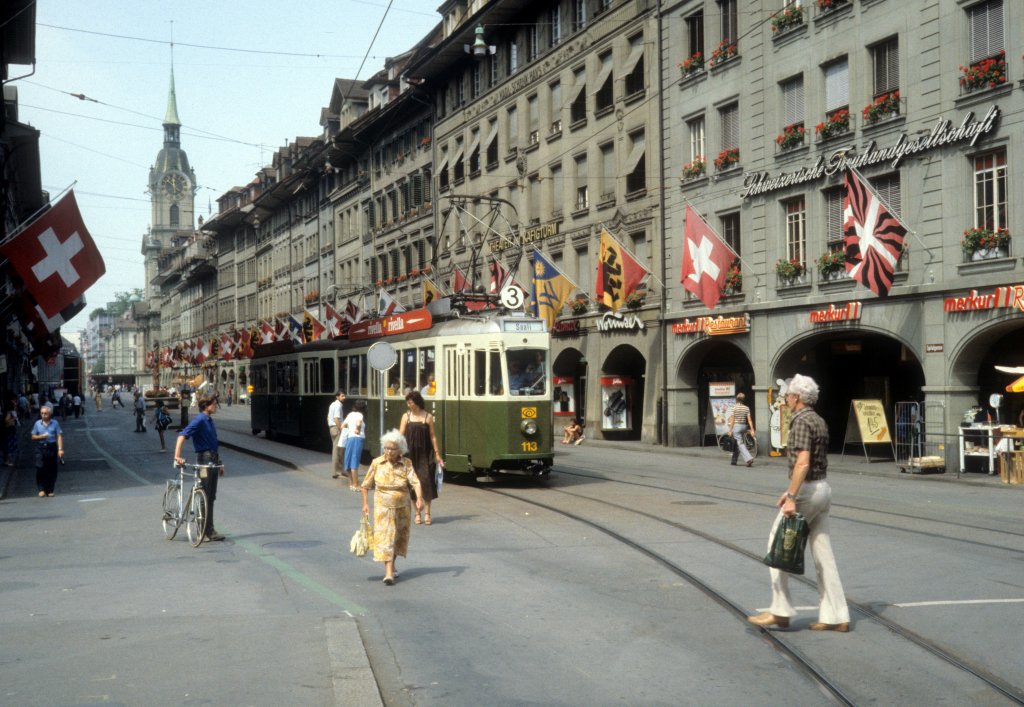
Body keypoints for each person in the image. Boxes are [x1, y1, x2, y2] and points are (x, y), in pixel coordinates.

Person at [748, 374, 850, 632]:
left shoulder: (801, 422)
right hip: (823, 488)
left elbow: (803, 462)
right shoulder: (819, 420)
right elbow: (813, 461)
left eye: (788, 396)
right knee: (823, 553)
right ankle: (837, 615)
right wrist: (789, 489)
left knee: (777, 543)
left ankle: (780, 610)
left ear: (797, 398)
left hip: (807, 491)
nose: (786, 399)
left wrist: (792, 496)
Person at [361, 429, 424, 585]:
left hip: (403, 506)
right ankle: (388, 572)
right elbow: (366, 485)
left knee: (398, 538)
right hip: (383, 506)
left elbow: (415, 482)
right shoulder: (377, 463)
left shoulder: (406, 463)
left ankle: (392, 564)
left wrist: (420, 499)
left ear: (400, 450)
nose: (389, 451)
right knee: (386, 537)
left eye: (392, 449)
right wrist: (365, 504)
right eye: (386, 448)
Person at [174, 396, 226, 541]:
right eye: (214, 404)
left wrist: (219, 463)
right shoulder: (200, 420)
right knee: (205, 494)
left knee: (211, 496)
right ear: (206, 406)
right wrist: (177, 455)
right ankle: (203, 530)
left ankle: (208, 529)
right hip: (205, 459)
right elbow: (182, 435)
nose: (216, 406)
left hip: (213, 459)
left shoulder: (209, 420)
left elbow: (213, 443)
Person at [399, 391, 442, 525]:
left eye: (410, 402)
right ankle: (417, 513)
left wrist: (437, 453)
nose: (408, 405)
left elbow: (433, 436)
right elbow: (400, 435)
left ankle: (427, 513)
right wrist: (398, 452)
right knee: (412, 483)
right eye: (408, 402)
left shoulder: (428, 417)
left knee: (427, 481)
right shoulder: (406, 416)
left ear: (417, 402)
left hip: (425, 454)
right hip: (410, 455)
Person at [30, 404, 64, 497]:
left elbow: (59, 436)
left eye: (45, 413)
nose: (43, 415)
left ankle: (50, 490)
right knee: (40, 467)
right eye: (42, 413)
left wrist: (60, 449)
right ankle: (41, 489)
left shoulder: (55, 423)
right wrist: (41, 436)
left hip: (52, 447)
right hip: (40, 447)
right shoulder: (37, 423)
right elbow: (33, 436)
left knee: (52, 469)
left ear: (50, 414)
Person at [341, 400, 367, 491]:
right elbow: (359, 423)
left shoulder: (350, 414)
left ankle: (352, 483)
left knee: (348, 462)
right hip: (357, 438)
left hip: (349, 438)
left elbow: (342, 425)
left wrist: (350, 429)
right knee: (354, 462)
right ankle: (356, 485)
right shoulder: (360, 415)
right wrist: (357, 429)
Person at [727, 392, 756, 467]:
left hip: (737, 427)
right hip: (744, 426)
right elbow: (749, 420)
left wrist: (730, 430)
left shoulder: (734, 408)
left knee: (740, 443)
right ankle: (734, 461)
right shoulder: (746, 408)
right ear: (743, 399)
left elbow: (732, 420)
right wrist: (752, 429)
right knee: (738, 444)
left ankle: (749, 458)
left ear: (736, 399)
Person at [327, 390, 347, 480]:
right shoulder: (338, 405)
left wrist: (330, 426)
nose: (344, 398)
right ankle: (335, 472)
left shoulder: (332, 404)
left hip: (332, 428)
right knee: (337, 450)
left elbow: (327, 417)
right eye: (342, 396)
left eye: (344, 396)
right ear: (337, 397)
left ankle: (340, 471)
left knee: (338, 450)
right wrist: (341, 428)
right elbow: (336, 418)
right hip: (336, 428)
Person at [3, 398, 19, 466]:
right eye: (14, 403)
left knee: (9, 445)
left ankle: (8, 460)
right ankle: (7, 460)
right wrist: (13, 418)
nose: (15, 404)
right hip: (9, 430)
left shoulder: (11, 411)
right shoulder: (9, 412)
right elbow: (6, 420)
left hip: (10, 430)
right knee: (9, 446)